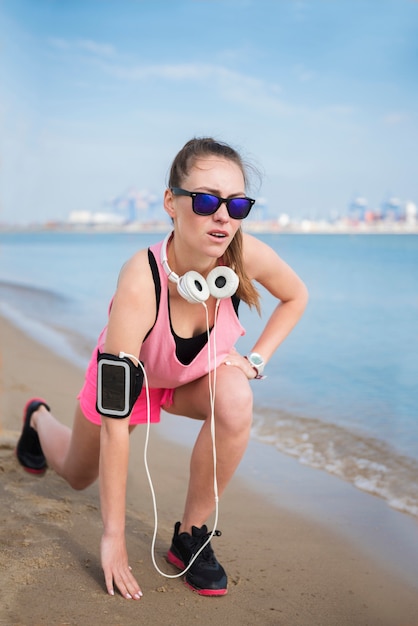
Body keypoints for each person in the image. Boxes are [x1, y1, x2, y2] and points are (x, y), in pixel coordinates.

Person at [16, 137, 308, 600]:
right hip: (129, 386)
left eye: (236, 204)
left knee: (234, 396)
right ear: (172, 202)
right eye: (208, 200)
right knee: (76, 474)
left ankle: (190, 538)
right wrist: (112, 536)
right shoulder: (141, 278)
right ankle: (38, 417)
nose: (222, 216)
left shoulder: (243, 257)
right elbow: (116, 420)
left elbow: (296, 297)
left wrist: (254, 362)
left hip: (189, 382)